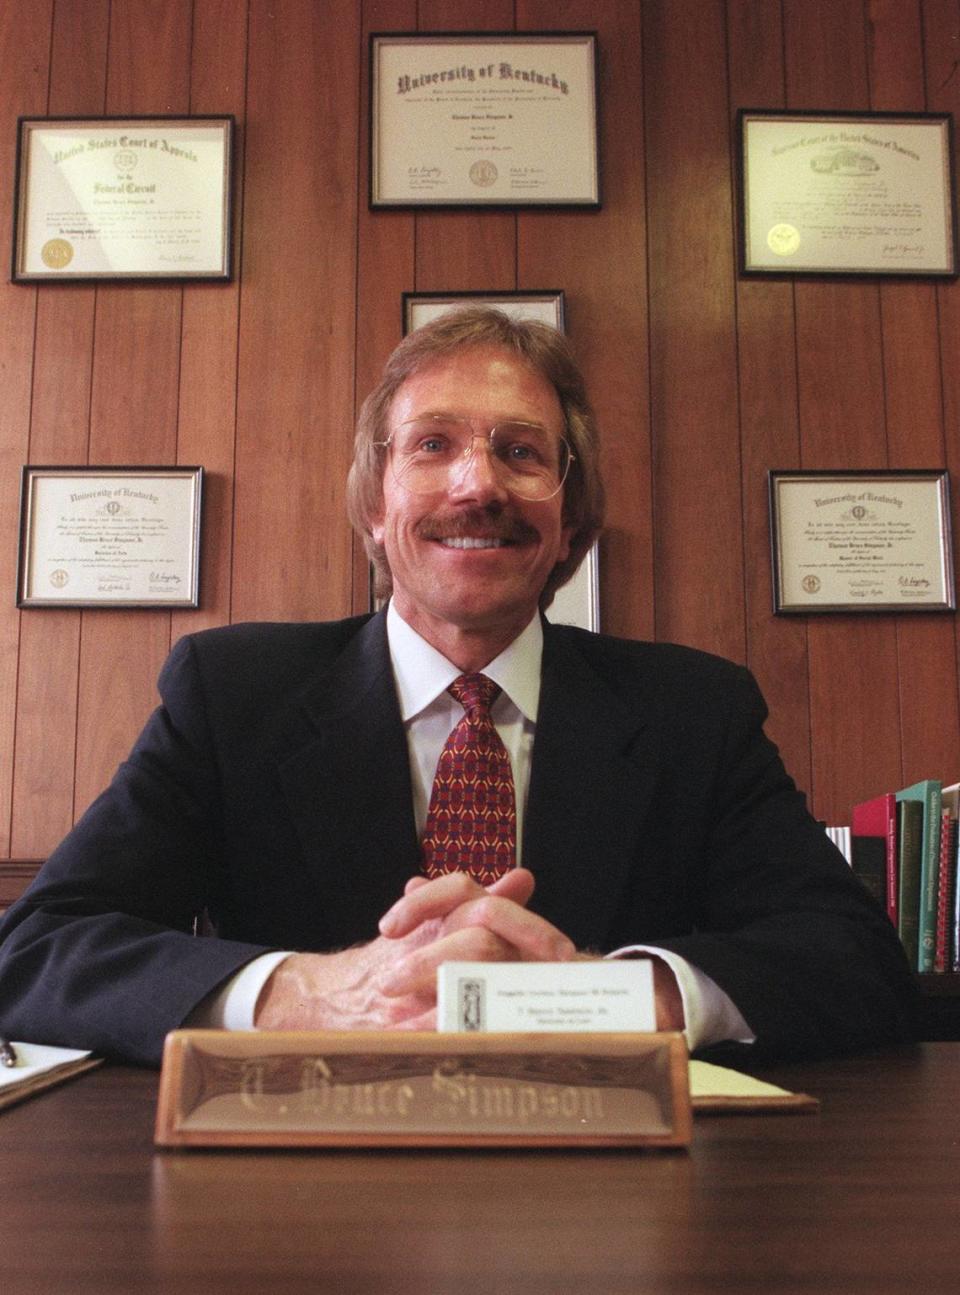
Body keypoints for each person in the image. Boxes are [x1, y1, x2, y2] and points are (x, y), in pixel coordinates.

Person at [0, 308, 914, 1067]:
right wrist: (305, 991)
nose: (478, 485)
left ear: (570, 524)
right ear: (374, 503)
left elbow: (856, 961)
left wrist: (612, 996)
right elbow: (37, 949)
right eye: (434, 444)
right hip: (293, 1205)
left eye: (521, 451)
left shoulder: (695, 712)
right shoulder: (233, 693)